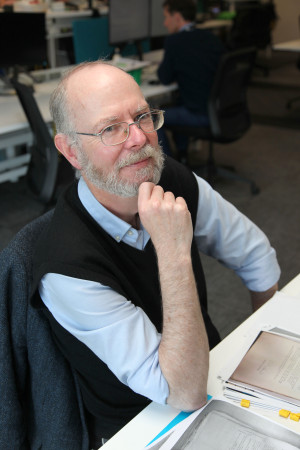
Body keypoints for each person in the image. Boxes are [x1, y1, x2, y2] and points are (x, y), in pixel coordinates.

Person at [30, 60, 280, 448]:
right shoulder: (65, 268)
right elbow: (181, 392)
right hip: (139, 425)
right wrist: (174, 249)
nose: (138, 138)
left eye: (143, 116)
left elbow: (257, 256)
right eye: (110, 127)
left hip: (210, 372)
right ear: (71, 151)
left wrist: (265, 363)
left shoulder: (172, 179)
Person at [157, 0, 224, 161]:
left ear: (177, 17)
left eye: (167, 17)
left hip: (199, 113)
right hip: (221, 109)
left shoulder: (174, 42)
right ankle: (183, 155)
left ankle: (170, 170)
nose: (165, 23)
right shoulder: (211, 37)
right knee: (179, 102)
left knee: (153, 119)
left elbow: (164, 78)